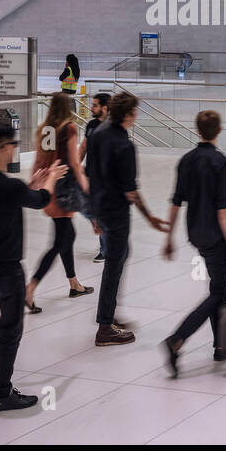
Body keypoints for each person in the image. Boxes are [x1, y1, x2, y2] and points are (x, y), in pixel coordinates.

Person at [0, 124, 65, 410]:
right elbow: (41, 201)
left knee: (6, 318)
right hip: (7, 269)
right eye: (14, 144)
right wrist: (51, 180)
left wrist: (32, 183)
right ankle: (1, 394)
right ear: (5, 147)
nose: (15, 148)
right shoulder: (8, 185)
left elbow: (13, 198)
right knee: (12, 330)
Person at [160, 110, 226, 377]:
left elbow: (175, 202)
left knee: (217, 286)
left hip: (195, 233)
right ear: (219, 131)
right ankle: (178, 339)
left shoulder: (186, 160)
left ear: (197, 130)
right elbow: (224, 211)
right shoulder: (220, 162)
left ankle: (220, 346)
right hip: (215, 236)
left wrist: (169, 237)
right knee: (218, 292)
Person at [84, 92, 168, 346]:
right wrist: (150, 216)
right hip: (117, 213)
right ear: (130, 114)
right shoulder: (125, 145)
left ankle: (109, 315)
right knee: (114, 264)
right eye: (136, 112)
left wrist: (93, 213)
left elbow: (91, 175)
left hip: (101, 208)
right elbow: (130, 191)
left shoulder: (97, 134)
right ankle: (105, 326)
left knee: (118, 258)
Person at [24, 94, 94, 313]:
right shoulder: (70, 128)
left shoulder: (44, 128)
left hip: (48, 187)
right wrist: (85, 185)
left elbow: (39, 160)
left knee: (66, 236)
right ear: (69, 108)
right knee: (58, 243)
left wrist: (35, 184)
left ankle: (74, 283)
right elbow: (74, 161)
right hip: (63, 190)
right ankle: (30, 289)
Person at [80, 92, 112, 263]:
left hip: (105, 180)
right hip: (89, 175)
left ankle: (106, 250)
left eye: (95, 105)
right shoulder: (91, 124)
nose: (91, 108)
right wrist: (75, 167)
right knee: (84, 207)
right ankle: (106, 239)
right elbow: (84, 145)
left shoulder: (113, 127)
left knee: (101, 212)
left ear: (105, 108)